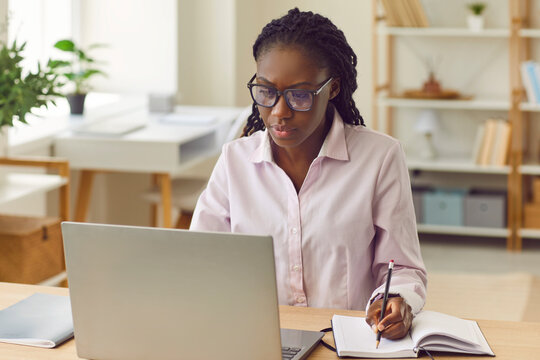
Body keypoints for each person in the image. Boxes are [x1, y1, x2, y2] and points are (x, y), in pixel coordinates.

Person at [190, 8, 427, 340]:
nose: (279, 112)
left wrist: (396, 299)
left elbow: (402, 267)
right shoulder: (235, 161)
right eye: (266, 92)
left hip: (345, 340)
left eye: (299, 95)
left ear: (332, 89)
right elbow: (198, 259)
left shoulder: (380, 158)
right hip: (257, 339)